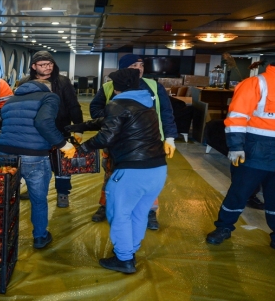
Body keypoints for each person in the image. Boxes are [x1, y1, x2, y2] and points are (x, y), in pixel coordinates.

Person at [206, 41, 275, 263]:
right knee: (240, 193)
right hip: (256, 151)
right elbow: (237, 117)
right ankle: (223, 228)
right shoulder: (257, 83)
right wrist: (236, 146)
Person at [70, 68, 167, 273]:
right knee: (139, 213)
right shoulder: (146, 104)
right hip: (157, 169)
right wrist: (79, 126)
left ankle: (124, 259)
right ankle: (130, 251)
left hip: (132, 170)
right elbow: (107, 121)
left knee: (120, 214)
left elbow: (106, 137)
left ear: (115, 88)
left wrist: (81, 148)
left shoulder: (117, 103)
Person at [87, 54, 177, 229]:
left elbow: (166, 112)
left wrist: (170, 137)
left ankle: (149, 211)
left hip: (149, 142)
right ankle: (105, 205)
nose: (139, 68)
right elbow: (94, 108)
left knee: (148, 178)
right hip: (116, 142)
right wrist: (109, 119)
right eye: (134, 65)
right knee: (111, 174)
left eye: (141, 65)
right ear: (123, 69)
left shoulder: (154, 86)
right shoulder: (108, 87)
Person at [0, 79, 76, 249]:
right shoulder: (49, 97)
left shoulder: (11, 100)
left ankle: (0, 234)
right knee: (38, 199)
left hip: (5, 153)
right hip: (33, 155)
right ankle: (40, 237)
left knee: (4, 197)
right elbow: (43, 122)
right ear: (47, 87)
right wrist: (63, 144)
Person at [18, 51, 83, 208]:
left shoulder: (63, 82)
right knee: (36, 163)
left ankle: (63, 192)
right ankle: (34, 189)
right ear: (34, 66)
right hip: (34, 133)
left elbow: (73, 105)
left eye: (50, 64)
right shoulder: (25, 82)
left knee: (62, 163)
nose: (48, 67)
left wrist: (79, 127)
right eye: (43, 65)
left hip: (60, 129)